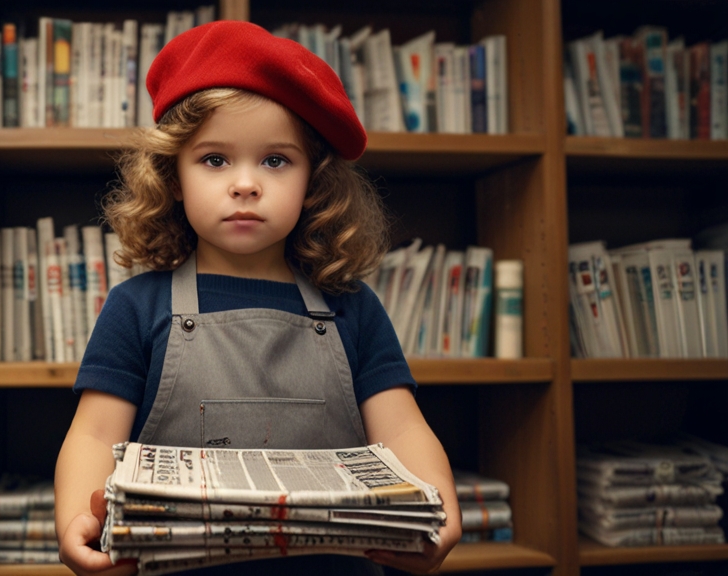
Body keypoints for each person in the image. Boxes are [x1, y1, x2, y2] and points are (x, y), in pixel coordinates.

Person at [55, 20, 461, 576]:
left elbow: (401, 430)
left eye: (275, 160)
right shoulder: (135, 307)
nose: (245, 184)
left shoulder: (353, 306)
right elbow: (95, 433)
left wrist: (436, 503)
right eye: (215, 159)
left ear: (311, 182)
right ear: (174, 177)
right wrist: (77, 514)